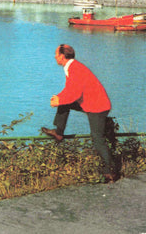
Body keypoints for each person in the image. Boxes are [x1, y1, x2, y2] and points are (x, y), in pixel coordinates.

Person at [41, 44, 116, 183]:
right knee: (64, 102)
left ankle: (110, 172)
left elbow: (75, 93)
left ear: (62, 57)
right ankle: (59, 132)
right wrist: (59, 98)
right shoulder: (71, 66)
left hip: (97, 106)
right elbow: (69, 89)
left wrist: (60, 100)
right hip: (90, 102)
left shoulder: (74, 68)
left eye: (56, 54)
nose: (55, 57)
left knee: (97, 138)